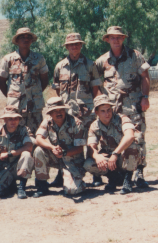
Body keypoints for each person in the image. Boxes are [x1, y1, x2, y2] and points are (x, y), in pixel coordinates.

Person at [94, 26, 150, 188]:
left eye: (119, 37)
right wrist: (99, 104)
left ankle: (139, 172)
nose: (116, 40)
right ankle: (119, 173)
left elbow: (145, 76)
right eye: (112, 37)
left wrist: (145, 97)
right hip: (112, 110)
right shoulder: (102, 61)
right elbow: (95, 83)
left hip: (134, 106)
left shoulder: (135, 56)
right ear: (108, 40)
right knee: (113, 139)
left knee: (138, 138)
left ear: (124, 38)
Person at [52, 32, 103, 188]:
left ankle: (96, 175)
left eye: (77, 44)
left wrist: (93, 108)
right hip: (67, 114)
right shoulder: (60, 66)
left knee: (90, 143)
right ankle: (62, 175)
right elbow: (57, 90)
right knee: (64, 142)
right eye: (71, 45)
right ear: (66, 47)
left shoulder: (90, 64)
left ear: (81, 45)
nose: (74, 47)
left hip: (86, 112)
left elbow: (96, 89)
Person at [84, 95, 144, 194]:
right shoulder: (94, 126)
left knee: (132, 146)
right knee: (88, 164)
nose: (107, 114)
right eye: (103, 111)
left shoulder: (122, 118)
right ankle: (113, 178)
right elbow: (91, 147)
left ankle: (128, 179)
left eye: (109, 110)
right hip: (110, 160)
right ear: (97, 112)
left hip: (124, 157)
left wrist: (115, 154)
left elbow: (130, 136)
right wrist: (97, 156)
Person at [0, 27, 49, 134]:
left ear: (31, 40)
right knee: (16, 136)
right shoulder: (8, 59)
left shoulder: (39, 59)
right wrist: (12, 96)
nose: (25, 39)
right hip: (16, 107)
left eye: (28, 37)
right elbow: (1, 82)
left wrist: (35, 93)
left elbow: (44, 79)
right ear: (17, 41)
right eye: (22, 37)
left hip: (35, 106)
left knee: (36, 136)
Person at [33, 97, 87, 197]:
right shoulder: (47, 121)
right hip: (56, 157)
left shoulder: (76, 123)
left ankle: (78, 183)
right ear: (49, 113)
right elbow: (38, 139)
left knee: (72, 191)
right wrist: (52, 148)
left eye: (61, 110)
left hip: (72, 160)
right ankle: (42, 186)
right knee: (39, 151)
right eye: (55, 111)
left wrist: (64, 153)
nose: (59, 113)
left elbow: (80, 148)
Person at [0, 106, 35, 201]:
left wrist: (9, 154)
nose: (13, 121)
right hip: (4, 166)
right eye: (10, 119)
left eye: (16, 118)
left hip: (18, 165)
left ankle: (22, 188)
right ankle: (10, 185)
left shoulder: (24, 130)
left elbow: (29, 147)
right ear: (5, 120)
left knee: (27, 155)